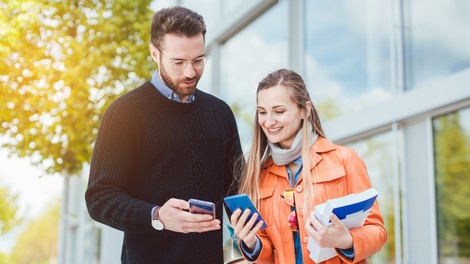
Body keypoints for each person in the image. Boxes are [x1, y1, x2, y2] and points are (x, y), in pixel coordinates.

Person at [85, 6, 242, 264]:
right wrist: (156, 216)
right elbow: (99, 198)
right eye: (178, 62)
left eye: (198, 60)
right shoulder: (124, 113)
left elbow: (237, 191)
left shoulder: (220, 113)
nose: (190, 72)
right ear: (155, 53)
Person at [229, 69, 387, 264]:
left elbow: (377, 232)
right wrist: (252, 242)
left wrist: (346, 240)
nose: (268, 121)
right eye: (262, 112)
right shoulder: (259, 174)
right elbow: (269, 254)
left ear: (305, 109)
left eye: (279, 111)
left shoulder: (344, 160)